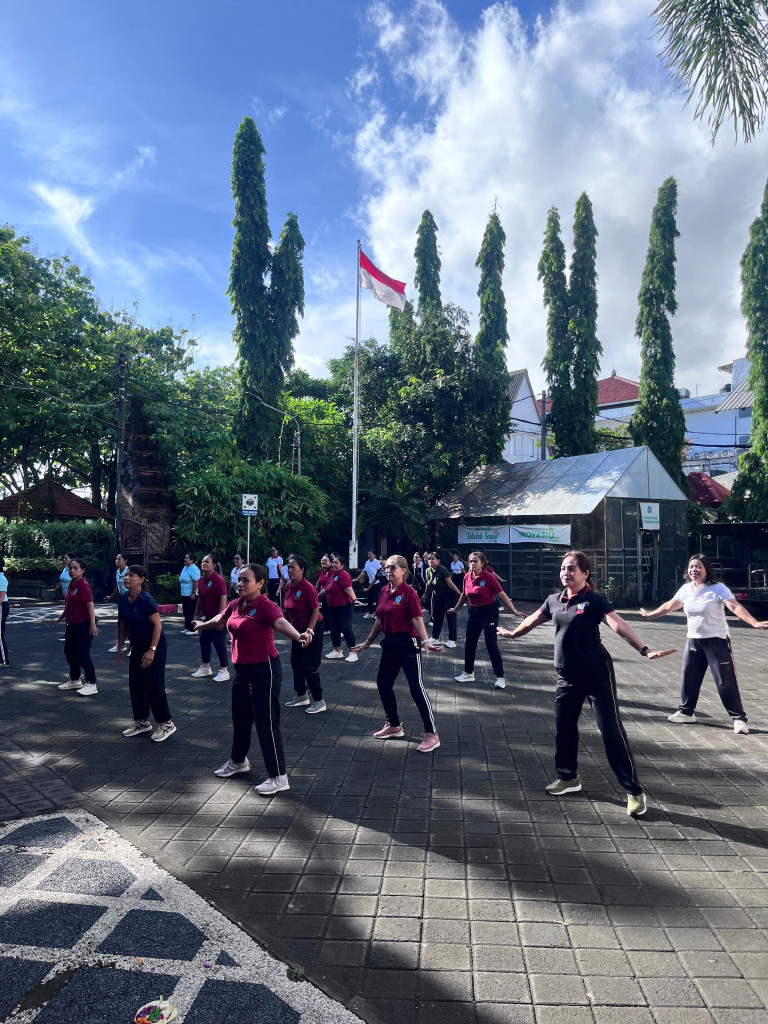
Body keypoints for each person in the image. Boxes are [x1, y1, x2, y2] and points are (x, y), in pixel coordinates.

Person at [498, 550, 676, 818]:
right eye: (563, 568)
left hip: (596, 675)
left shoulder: (593, 600)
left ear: (585, 573)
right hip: (566, 676)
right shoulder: (554, 601)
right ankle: (568, 778)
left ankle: (633, 791)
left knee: (611, 732)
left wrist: (644, 649)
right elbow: (532, 621)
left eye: (572, 569)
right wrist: (512, 633)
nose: (566, 573)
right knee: (565, 728)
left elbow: (619, 625)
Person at [197, 563, 309, 795]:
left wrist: (299, 637)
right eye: (238, 579)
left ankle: (279, 776)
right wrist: (202, 624)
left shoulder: (265, 606)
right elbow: (221, 618)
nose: (240, 584)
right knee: (240, 718)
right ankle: (239, 761)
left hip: (264, 670)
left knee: (266, 722)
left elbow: (280, 623)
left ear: (260, 583)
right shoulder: (237, 604)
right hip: (242, 671)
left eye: (246, 580)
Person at [640, 553, 768, 734]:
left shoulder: (718, 588)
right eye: (692, 567)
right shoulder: (686, 589)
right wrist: (650, 615)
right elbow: (670, 606)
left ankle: (739, 719)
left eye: (699, 566)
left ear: (707, 569)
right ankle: (686, 712)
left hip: (716, 640)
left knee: (725, 681)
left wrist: (753, 622)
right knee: (689, 677)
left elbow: (734, 606)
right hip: (693, 640)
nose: (695, 570)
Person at [352, 554, 441, 752]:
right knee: (383, 684)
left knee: (415, 687)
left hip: (407, 642)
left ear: (403, 571)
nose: (389, 571)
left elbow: (417, 618)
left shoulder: (408, 592)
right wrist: (367, 642)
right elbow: (379, 620)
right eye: (387, 568)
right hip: (390, 642)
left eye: (393, 568)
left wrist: (425, 641)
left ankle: (431, 734)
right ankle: (394, 725)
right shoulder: (384, 590)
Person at [117, 565, 176, 742]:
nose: (126, 577)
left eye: (131, 575)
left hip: (154, 645)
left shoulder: (146, 600)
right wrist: (120, 645)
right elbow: (123, 623)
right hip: (137, 645)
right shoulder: (123, 598)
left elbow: (157, 625)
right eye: (126, 575)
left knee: (152, 682)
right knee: (135, 682)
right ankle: (141, 722)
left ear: (141, 580)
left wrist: (152, 651)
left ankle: (166, 723)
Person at [449, 551, 524, 689]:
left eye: (475, 561)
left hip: (489, 612)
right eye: (470, 561)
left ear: (482, 563)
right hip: (474, 613)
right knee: (470, 643)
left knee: (491, 643)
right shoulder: (466, 577)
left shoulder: (488, 577)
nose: (472, 563)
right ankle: (468, 673)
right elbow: (464, 595)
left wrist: (514, 610)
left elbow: (501, 594)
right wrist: (455, 609)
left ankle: (500, 677)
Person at [49, 557, 99, 695]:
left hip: (84, 624)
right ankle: (75, 680)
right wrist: (59, 620)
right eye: (70, 568)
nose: (72, 570)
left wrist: (93, 625)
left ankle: (91, 683)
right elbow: (69, 606)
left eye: (76, 568)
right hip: (72, 624)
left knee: (82, 653)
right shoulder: (72, 584)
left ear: (82, 570)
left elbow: (90, 606)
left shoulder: (83, 585)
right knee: (69, 651)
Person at [283, 555, 326, 714]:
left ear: (302, 570)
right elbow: (288, 609)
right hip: (296, 629)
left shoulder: (308, 587)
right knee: (296, 662)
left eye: (293, 567)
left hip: (312, 628)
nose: (290, 570)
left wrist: (310, 630)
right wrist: (278, 619)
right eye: (288, 567)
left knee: (309, 664)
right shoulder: (288, 587)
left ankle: (319, 700)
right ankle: (301, 695)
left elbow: (315, 610)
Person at [191, 553, 229, 682]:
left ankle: (224, 671)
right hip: (208, 616)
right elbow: (200, 597)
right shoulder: (202, 580)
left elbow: (223, 598)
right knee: (204, 640)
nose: (204, 564)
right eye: (203, 561)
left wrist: (221, 618)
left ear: (214, 565)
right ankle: (206, 668)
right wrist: (196, 613)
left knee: (218, 642)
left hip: (219, 615)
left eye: (207, 562)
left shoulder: (218, 580)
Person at [318, 553, 358, 663]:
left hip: (344, 606)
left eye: (336, 562)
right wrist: (315, 598)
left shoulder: (343, 574)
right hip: (333, 606)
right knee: (334, 628)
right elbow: (326, 590)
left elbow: (347, 589)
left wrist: (354, 599)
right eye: (333, 562)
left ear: (342, 565)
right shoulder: (334, 575)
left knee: (346, 628)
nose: (334, 564)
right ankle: (337, 651)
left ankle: (353, 652)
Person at [424, 551, 461, 649]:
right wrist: (425, 595)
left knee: (450, 617)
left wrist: (460, 595)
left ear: (438, 560)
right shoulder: (428, 570)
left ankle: (452, 640)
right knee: (437, 616)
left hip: (449, 596)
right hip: (438, 596)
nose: (430, 560)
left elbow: (450, 583)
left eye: (433, 558)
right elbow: (428, 584)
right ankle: (434, 637)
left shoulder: (443, 570)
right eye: (429, 558)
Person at [105, 553, 129, 654]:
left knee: (132, 623)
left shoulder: (129, 571)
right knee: (121, 623)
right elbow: (118, 586)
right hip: (122, 600)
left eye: (119, 559)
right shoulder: (118, 572)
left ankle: (134, 647)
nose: (117, 561)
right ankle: (120, 644)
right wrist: (111, 596)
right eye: (116, 559)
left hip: (130, 599)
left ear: (125, 561)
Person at [356, 550, 383, 618]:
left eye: (371, 554)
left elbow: (380, 572)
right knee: (369, 598)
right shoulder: (367, 562)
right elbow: (364, 572)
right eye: (368, 554)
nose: (369, 555)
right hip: (370, 582)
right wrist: (357, 579)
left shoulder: (377, 562)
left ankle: (377, 614)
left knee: (378, 599)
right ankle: (370, 613)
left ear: (374, 555)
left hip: (378, 583)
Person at [179, 554, 201, 635]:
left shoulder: (194, 568)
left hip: (191, 594)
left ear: (192, 560)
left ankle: (193, 629)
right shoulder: (185, 567)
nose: (185, 559)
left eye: (187, 558)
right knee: (186, 611)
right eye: (185, 558)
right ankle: (187, 627)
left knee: (191, 611)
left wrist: (193, 592)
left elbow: (196, 581)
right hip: (185, 593)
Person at [0, 557, 9, 668]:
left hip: (2, 606)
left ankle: (4, 660)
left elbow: (1, 598)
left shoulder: (1, 579)